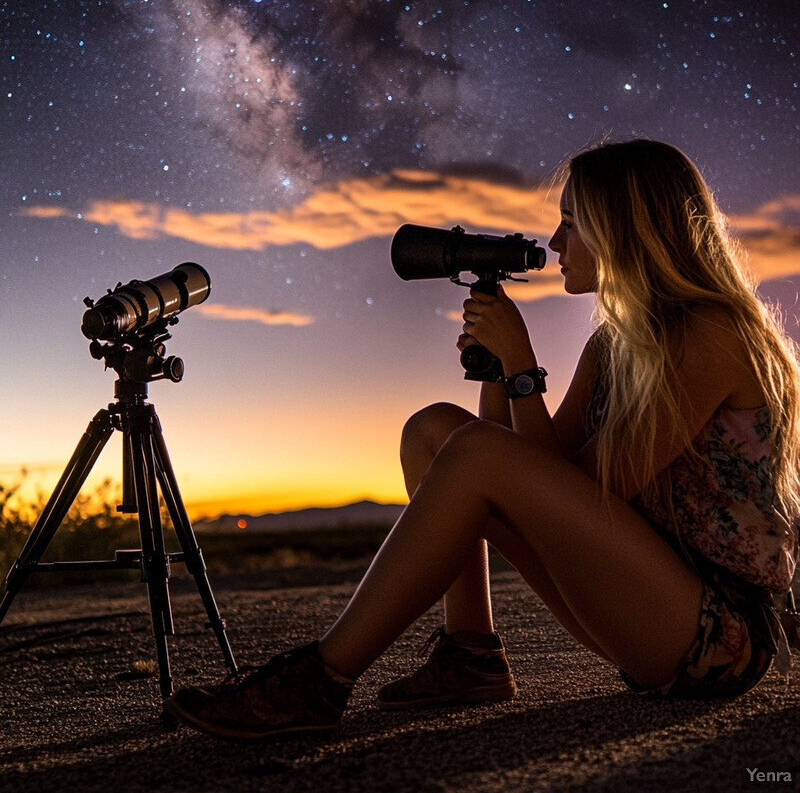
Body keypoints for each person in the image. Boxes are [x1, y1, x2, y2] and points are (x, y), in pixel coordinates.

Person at [165, 138, 800, 742]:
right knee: (435, 431)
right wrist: (499, 374)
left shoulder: (712, 334)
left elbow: (590, 489)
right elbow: (532, 471)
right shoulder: (613, 345)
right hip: (640, 598)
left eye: (573, 223)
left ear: (624, 231)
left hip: (716, 636)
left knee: (472, 451)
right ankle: (470, 656)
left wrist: (524, 369)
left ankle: (320, 680)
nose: (555, 242)